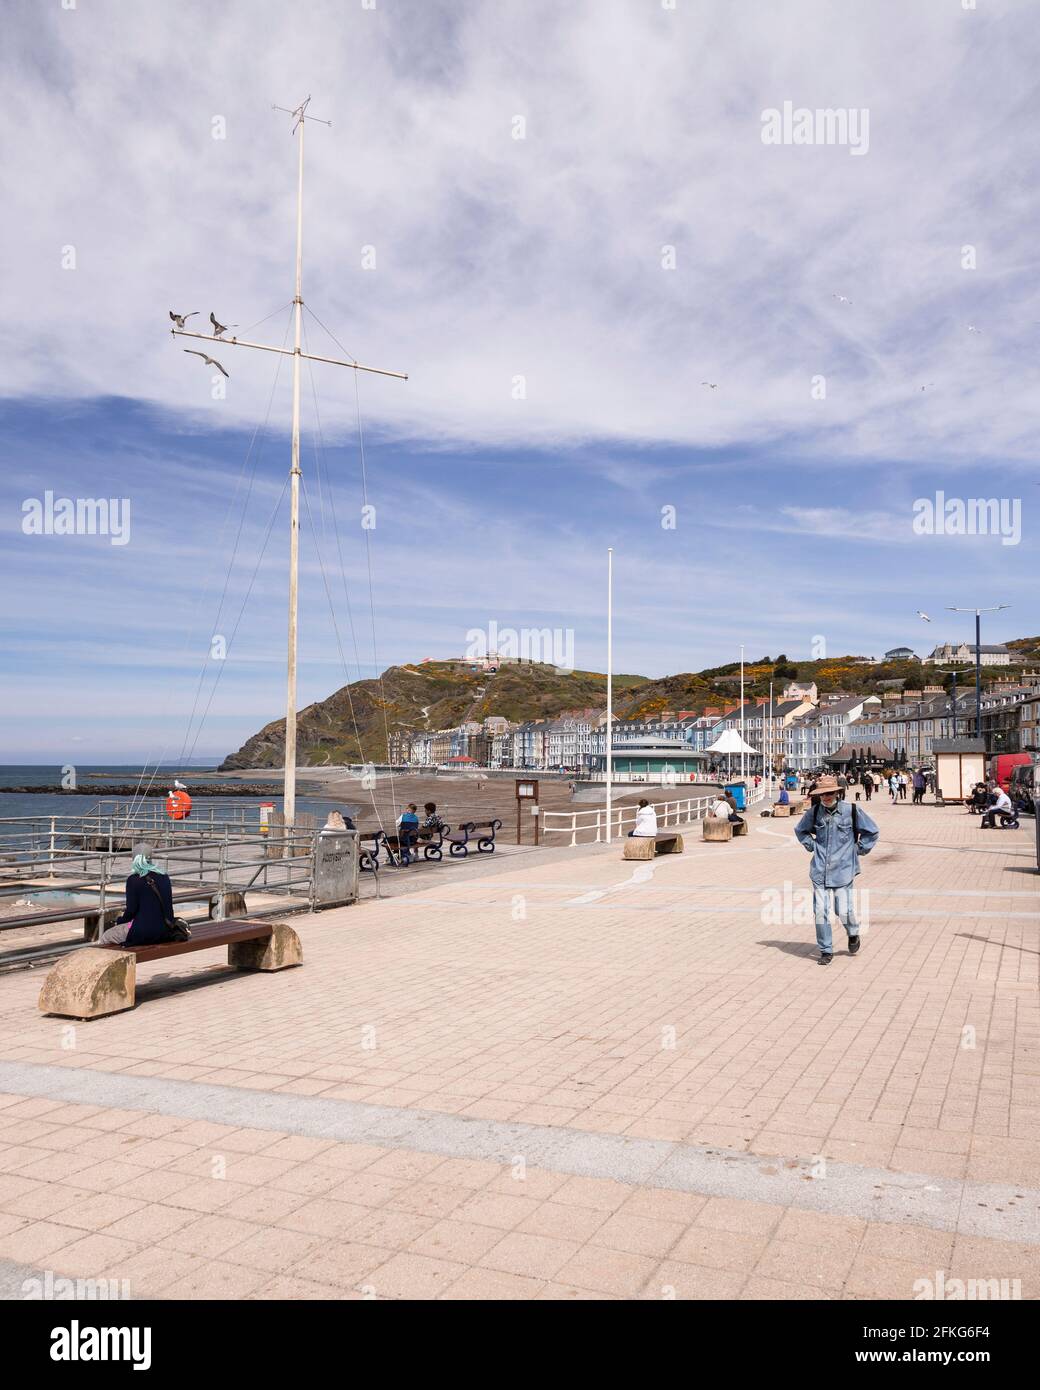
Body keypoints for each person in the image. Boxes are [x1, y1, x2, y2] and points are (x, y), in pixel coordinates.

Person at [794, 774, 879, 965]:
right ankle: (826, 950)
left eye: (830, 793)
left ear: (837, 793)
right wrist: (812, 845)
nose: (826, 797)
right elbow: (800, 831)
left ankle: (853, 932)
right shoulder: (814, 813)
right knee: (820, 910)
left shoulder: (851, 811)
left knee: (843, 910)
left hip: (843, 869)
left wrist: (858, 850)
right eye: (823, 794)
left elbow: (872, 831)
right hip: (820, 869)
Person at [99, 850, 179, 946]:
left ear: (135, 859)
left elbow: (131, 910)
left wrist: (120, 921)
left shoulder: (133, 880)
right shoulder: (164, 877)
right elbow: (169, 907)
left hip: (143, 932)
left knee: (106, 936)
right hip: (165, 931)